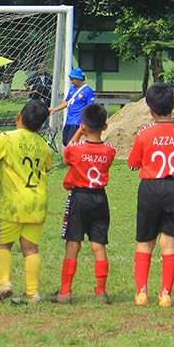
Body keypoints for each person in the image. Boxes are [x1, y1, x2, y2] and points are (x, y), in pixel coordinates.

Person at [127, 82, 174, 307]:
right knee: (169, 244)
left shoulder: (144, 133)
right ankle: (165, 294)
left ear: (150, 109)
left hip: (149, 188)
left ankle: (141, 293)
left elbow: (132, 164)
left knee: (145, 242)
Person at [0, 99, 51, 306]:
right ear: (40, 126)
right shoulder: (42, 144)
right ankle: (32, 294)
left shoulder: (5, 138)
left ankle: (4, 284)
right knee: (31, 249)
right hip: (38, 202)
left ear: (18, 116)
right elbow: (46, 168)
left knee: (2, 244)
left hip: (13, 203)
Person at [49, 103, 115, 305]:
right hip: (100, 199)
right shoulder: (109, 150)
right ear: (105, 127)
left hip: (79, 198)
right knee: (98, 245)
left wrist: (78, 131)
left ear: (83, 126)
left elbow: (67, 153)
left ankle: (65, 292)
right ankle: (101, 291)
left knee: (73, 243)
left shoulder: (77, 149)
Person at [49, 67, 96, 146]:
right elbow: (66, 103)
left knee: (71, 143)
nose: (71, 81)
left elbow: (91, 107)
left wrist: (87, 121)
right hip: (69, 120)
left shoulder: (87, 90)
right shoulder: (72, 89)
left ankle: (72, 157)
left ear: (78, 79)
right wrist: (54, 110)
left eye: (72, 79)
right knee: (65, 141)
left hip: (77, 121)